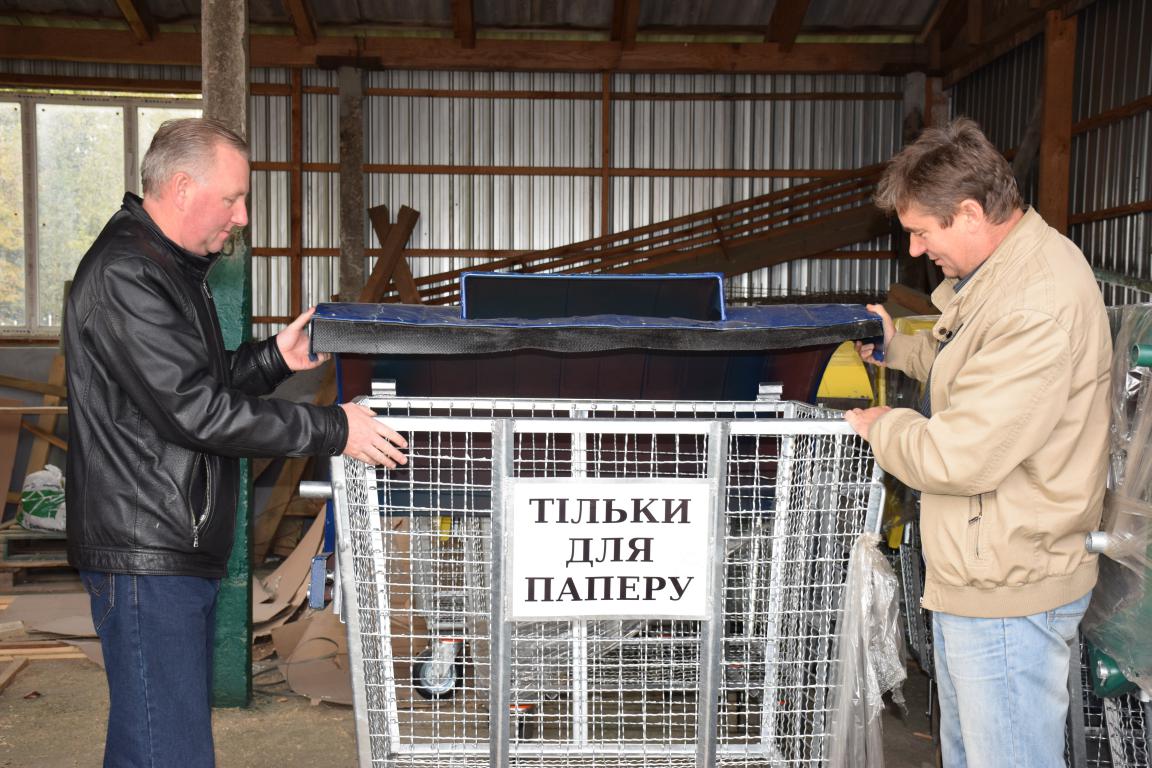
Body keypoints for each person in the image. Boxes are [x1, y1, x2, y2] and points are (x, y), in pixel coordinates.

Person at [63, 117, 408, 768]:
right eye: (233, 198)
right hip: (147, 549)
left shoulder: (164, 268)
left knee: (151, 741)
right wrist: (336, 429)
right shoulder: (128, 273)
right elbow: (194, 412)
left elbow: (193, 385)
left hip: (163, 543)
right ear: (182, 187)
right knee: (169, 751)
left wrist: (275, 357)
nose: (242, 216)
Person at [845, 118, 1111, 767]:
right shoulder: (1007, 276)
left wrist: (883, 427)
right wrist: (897, 348)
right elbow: (972, 366)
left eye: (921, 232)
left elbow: (958, 456)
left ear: (968, 213)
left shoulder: (1033, 303)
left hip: (1007, 590)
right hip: (989, 574)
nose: (915, 249)